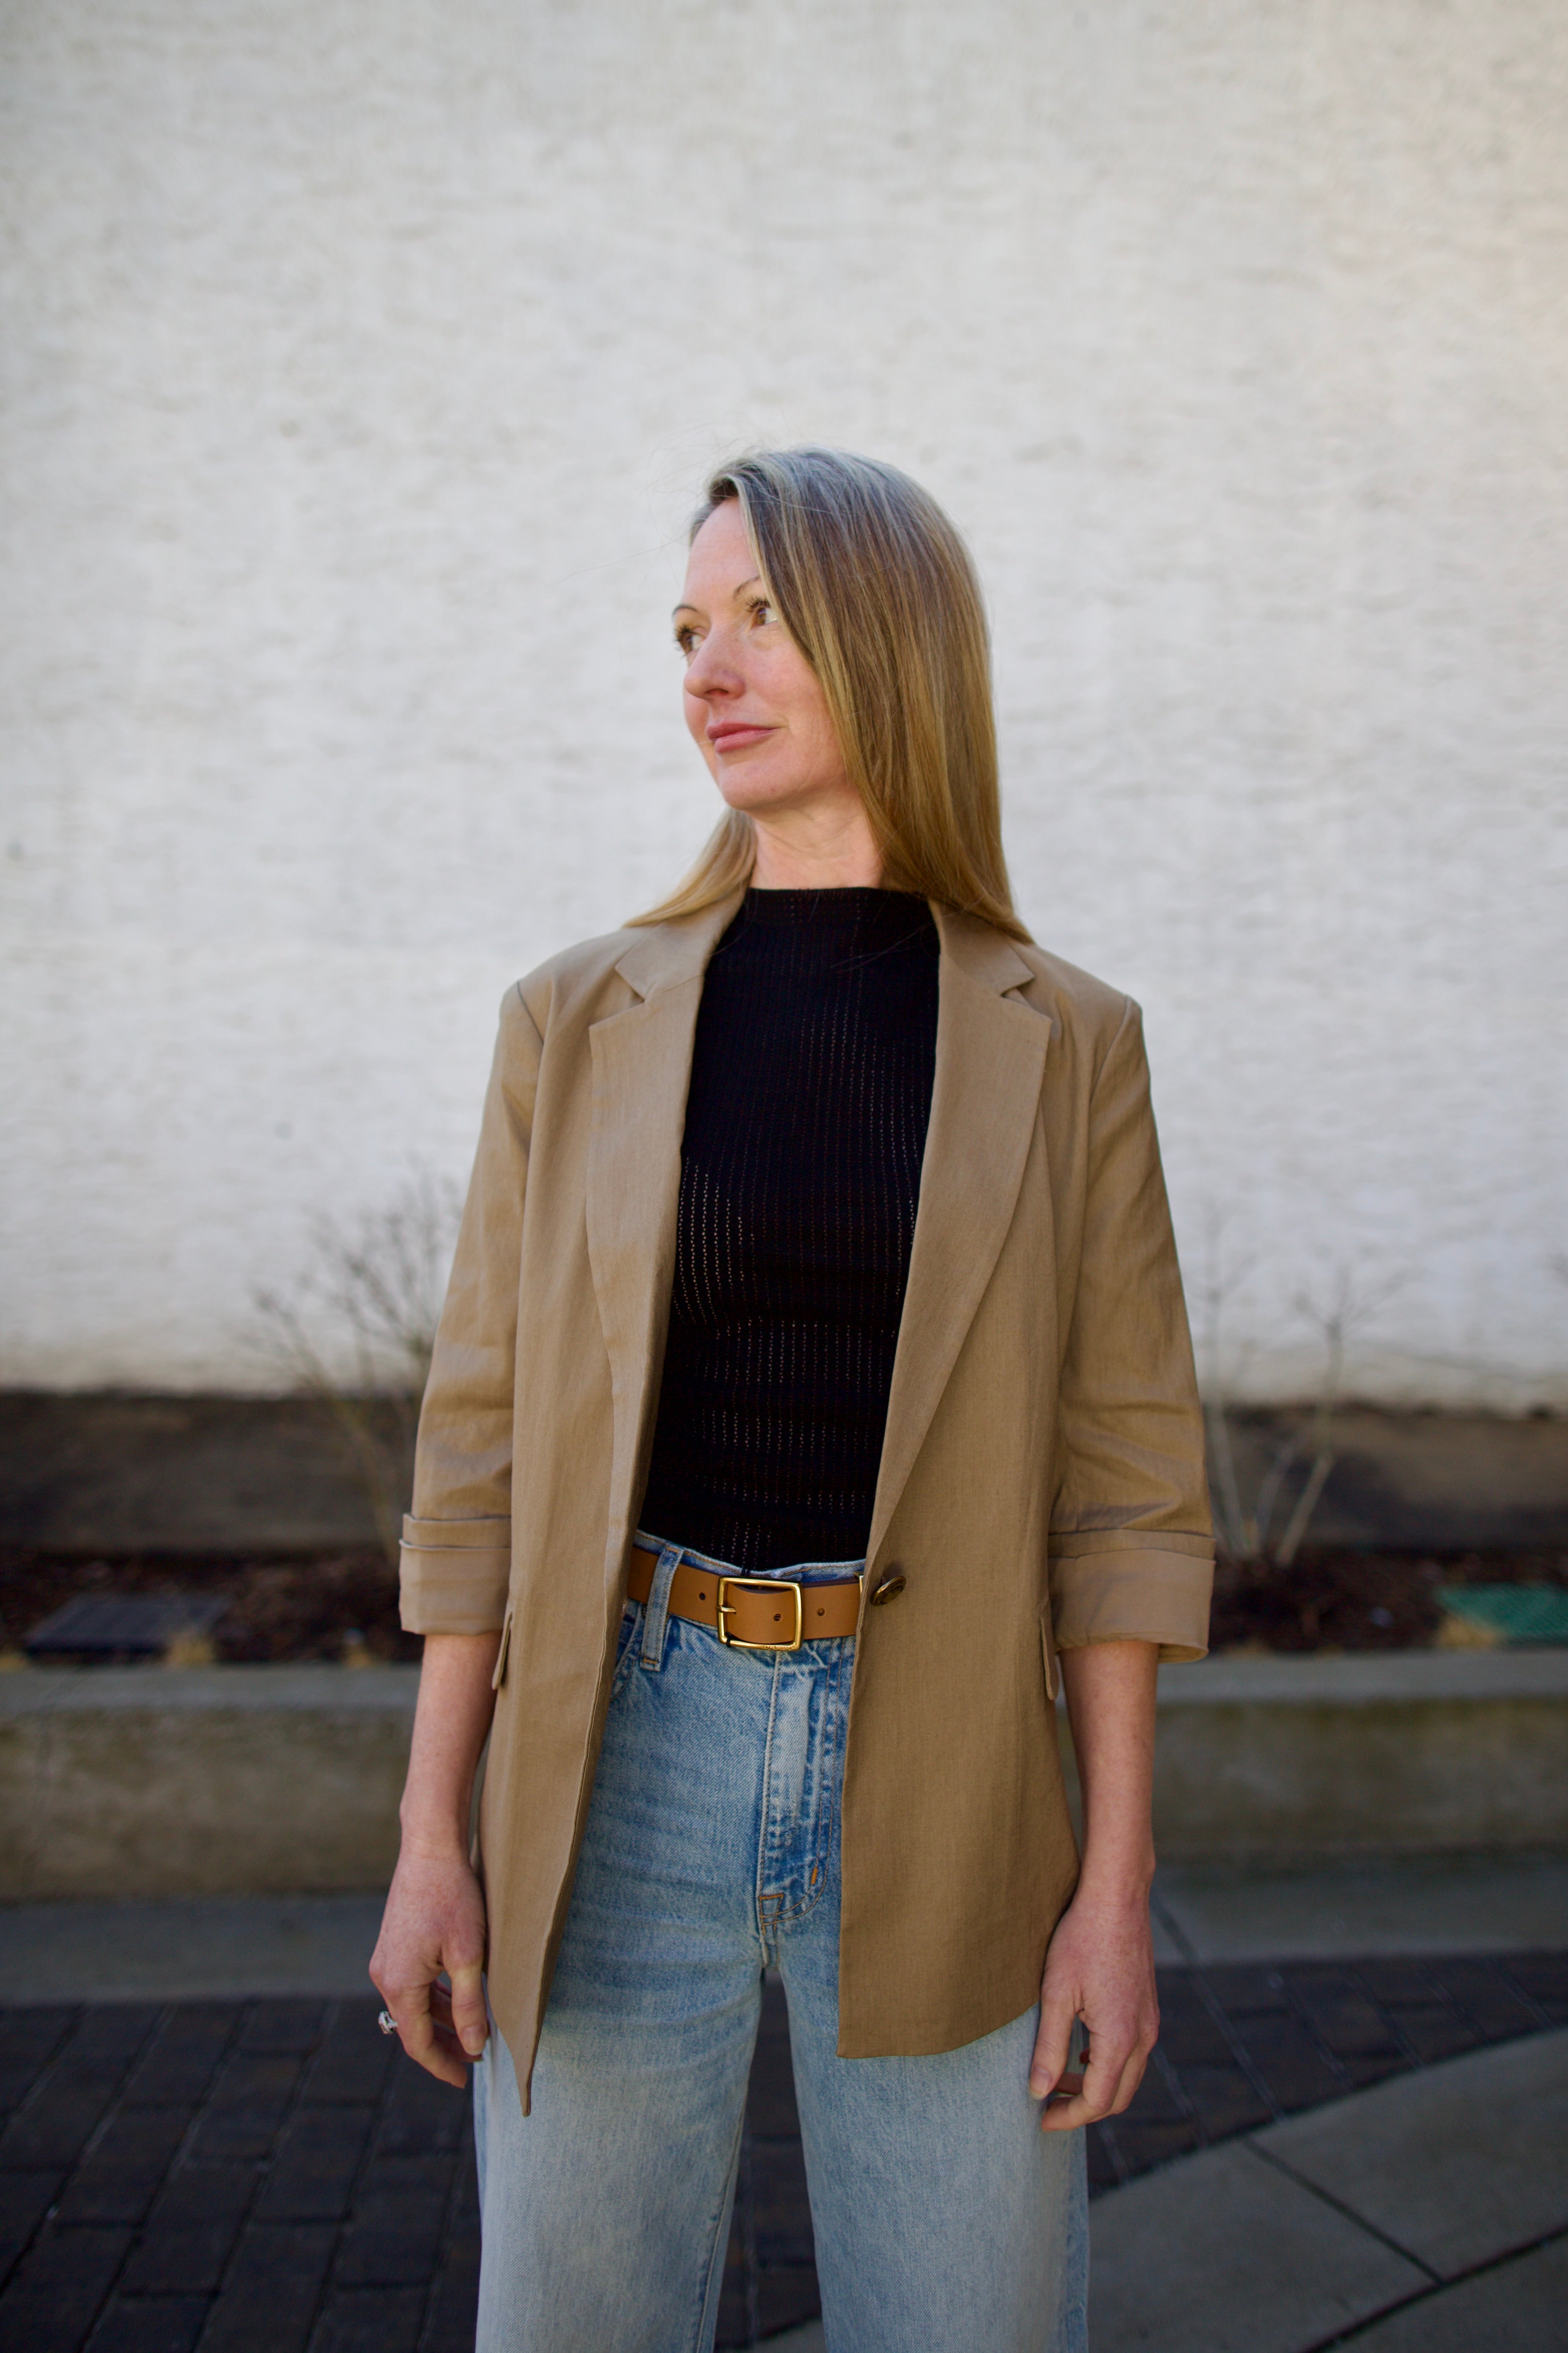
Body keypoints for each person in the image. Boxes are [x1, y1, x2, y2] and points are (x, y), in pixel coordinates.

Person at [371, 447, 1213, 2352]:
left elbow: (1126, 1500)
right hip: (618, 1761)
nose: (706, 667)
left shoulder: (1066, 1040)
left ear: (889, 641)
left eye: (759, 616)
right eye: (685, 628)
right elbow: (477, 1447)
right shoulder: (571, 1018)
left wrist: (1111, 1883)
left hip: (946, 1784)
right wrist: (434, 1839)